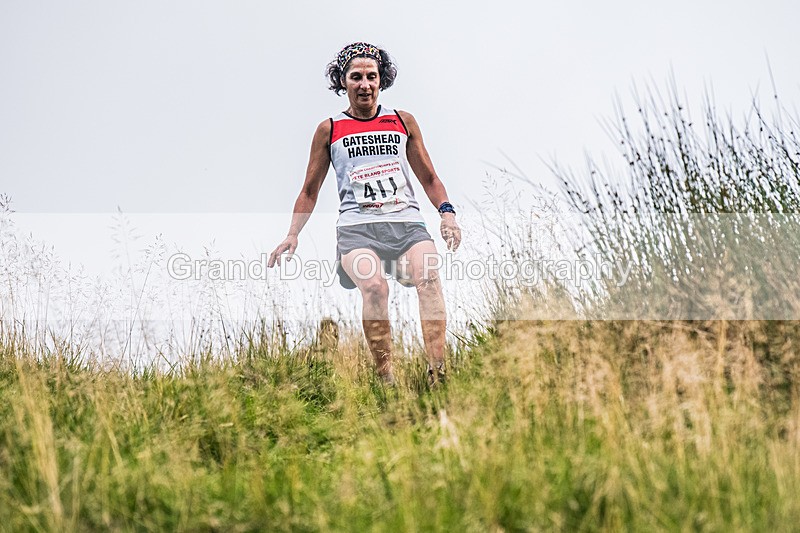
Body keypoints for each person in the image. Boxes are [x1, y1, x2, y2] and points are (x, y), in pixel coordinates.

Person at [267, 42, 461, 385]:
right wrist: (292, 234)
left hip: (407, 225)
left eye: (371, 76)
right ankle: (386, 379)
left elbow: (429, 177)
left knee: (429, 277)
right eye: (356, 77)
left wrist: (447, 214)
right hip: (357, 230)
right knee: (374, 288)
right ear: (343, 83)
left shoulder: (402, 121)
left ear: (381, 81)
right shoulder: (330, 129)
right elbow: (309, 190)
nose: (364, 84)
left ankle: (438, 373)